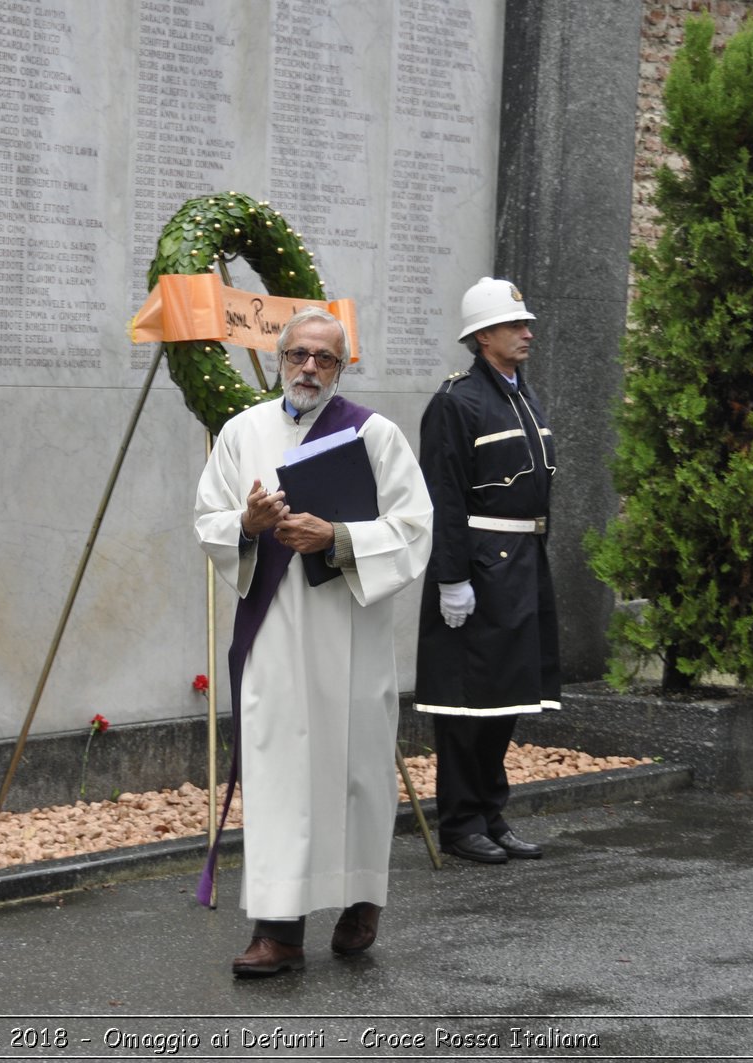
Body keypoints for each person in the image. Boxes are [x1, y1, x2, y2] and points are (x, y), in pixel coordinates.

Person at [194, 305, 432, 977]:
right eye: (299, 354)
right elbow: (207, 517)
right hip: (274, 630)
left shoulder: (374, 435)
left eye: (324, 358)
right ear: (280, 358)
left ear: (342, 365)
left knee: (355, 768)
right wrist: (247, 521)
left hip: (350, 628)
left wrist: (338, 537)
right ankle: (278, 929)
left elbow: (415, 527)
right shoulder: (242, 431)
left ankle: (361, 898)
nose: (309, 368)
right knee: (280, 773)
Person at [414, 277, 560, 865]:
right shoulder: (457, 401)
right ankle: (460, 822)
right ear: (482, 337)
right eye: (513, 325)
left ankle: (491, 814)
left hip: (523, 563)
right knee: (465, 705)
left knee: (505, 698)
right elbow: (443, 496)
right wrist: (452, 579)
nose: (526, 333)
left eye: (525, 324)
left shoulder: (521, 393)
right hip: (478, 564)